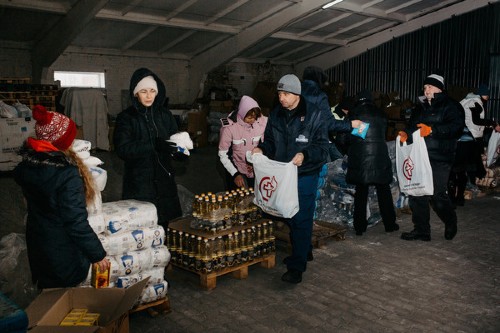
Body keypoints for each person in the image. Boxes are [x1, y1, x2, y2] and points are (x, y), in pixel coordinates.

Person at [14, 105, 109, 289]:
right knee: (64, 302)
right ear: (61, 141)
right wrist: (97, 254)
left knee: (47, 294)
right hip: (62, 251)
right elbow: (75, 222)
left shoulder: (29, 167)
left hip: (39, 244)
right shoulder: (67, 174)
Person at [251, 74, 331, 284]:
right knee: (284, 213)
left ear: (296, 94)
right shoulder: (276, 114)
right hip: (281, 175)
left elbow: (322, 147)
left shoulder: (314, 115)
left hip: (304, 174)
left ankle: (297, 268)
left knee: (301, 217)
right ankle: (304, 250)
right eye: (279, 94)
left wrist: (305, 156)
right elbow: (270, 142)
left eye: (286, 94)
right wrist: (261, 149)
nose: (281, 98)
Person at [398, 73, 464, 241]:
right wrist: (407, 133)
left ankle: (450, 221)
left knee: (437, 195)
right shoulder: (420, 107)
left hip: (440, 157)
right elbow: (413, 126)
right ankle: (421, 230)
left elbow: (456, 128)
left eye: (429, 86)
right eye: (425, 87)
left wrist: (432, 129)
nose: (426, 90)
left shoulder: (452, 106)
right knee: (417, 193)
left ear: (439, 88)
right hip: (419, 156)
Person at [114, 68, 183, 228]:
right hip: (140, 182)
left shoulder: (165, 115)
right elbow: (123, 149)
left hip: (164, 179)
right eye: (143, 91)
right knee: (141, 229)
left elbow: (174, 139)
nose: (149, 95)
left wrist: (180, 152)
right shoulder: (127, 117)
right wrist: (154, 144)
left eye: (152, 91)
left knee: (162, 227)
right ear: (135, 93)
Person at [346, 90, 399, 236]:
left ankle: (359, 227)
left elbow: (346, 138)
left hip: (361, 160)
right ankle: (390, 224)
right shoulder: (381, 114)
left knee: (361, 193)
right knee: (384, 191)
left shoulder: (354, 114)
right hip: (380, 158)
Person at [301, 66, 354, 161]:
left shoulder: (294, 92)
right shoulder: (319, 95)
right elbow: (329, 123)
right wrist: (351, 124)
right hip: (314, 143)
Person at [218, 95, 267, 190]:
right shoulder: (229, 128)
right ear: (241, 113)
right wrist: (235, 174)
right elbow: (223, 154)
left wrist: (257, 163)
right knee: (236, 197)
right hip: (235, 167)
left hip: (255, 168)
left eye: (255, 117)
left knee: (254, 197)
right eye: (249, 118)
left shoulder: (262, 122)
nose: (252, 120)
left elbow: (266, 145)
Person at [459, 84, 497, 183]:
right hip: (472, 135)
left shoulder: (466, 101)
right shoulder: (475, 102)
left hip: (465, 135)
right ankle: (473, 181)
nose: (488, 97)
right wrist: (491, 123)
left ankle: (472, 180)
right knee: (473, 161)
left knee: (469, 160)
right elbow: (476, 120)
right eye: (486, 95)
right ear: (481, 94)